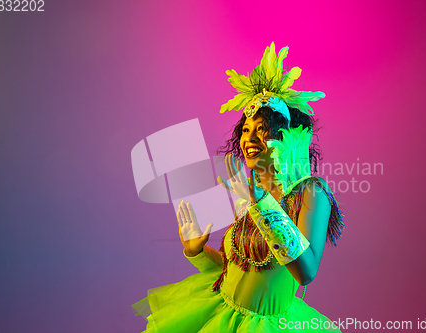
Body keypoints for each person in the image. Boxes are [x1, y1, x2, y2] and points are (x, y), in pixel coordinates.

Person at [132, 42, 345, 332]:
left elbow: (306, 272)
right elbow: (237, 271)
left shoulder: (311, 192)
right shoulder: (249, 190)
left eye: (263, 129)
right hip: (219, 316)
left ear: (287, 137)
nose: (250, 138)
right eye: (246, 129)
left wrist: (261, 205)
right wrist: (198, 251)